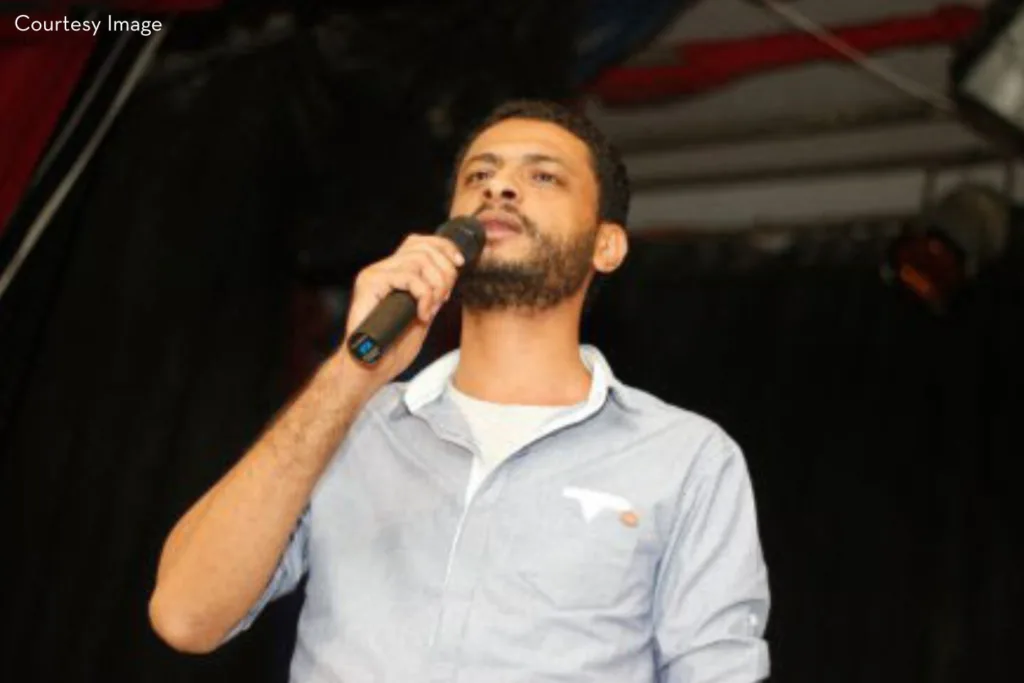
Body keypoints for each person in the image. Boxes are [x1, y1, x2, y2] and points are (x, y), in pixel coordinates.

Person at [148, 99, 771, 682]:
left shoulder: (683, 457)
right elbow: (185, 616)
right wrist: (350, 374)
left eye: (543, 176)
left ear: (606, 246)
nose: (499, 188)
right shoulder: (351, 423)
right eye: (479, 175)